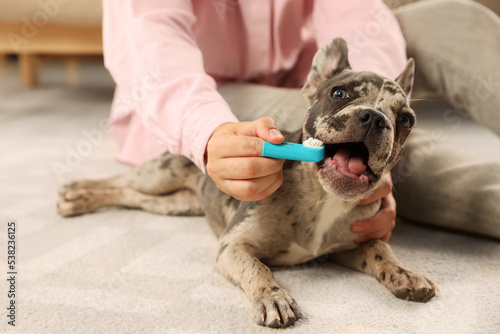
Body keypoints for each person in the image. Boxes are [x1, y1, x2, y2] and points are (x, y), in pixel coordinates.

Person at [102, 0, 500, 242]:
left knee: (455, 21)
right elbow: (148, 37)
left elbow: (358, 16)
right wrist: (206, 128)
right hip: (205, 92)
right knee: (310, 124)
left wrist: (379, 114)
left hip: (305, 71)